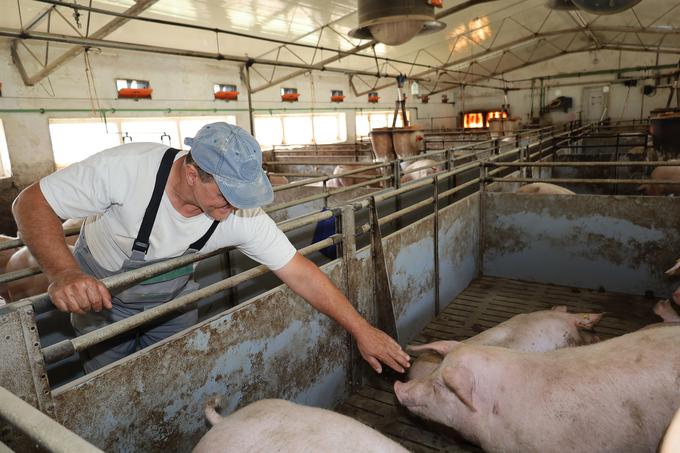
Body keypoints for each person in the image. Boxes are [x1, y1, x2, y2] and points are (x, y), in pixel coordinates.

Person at [12, 122, 410, 374]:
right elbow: (30, 202)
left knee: (174, 375)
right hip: (101, 302)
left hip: (173, 302)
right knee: (106, 383)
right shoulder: (126, 170)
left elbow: (300, 272)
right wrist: (64, 272)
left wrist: (362, 330)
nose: (235, 207)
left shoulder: (241, 214)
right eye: (226, 194)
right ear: (191, 173)